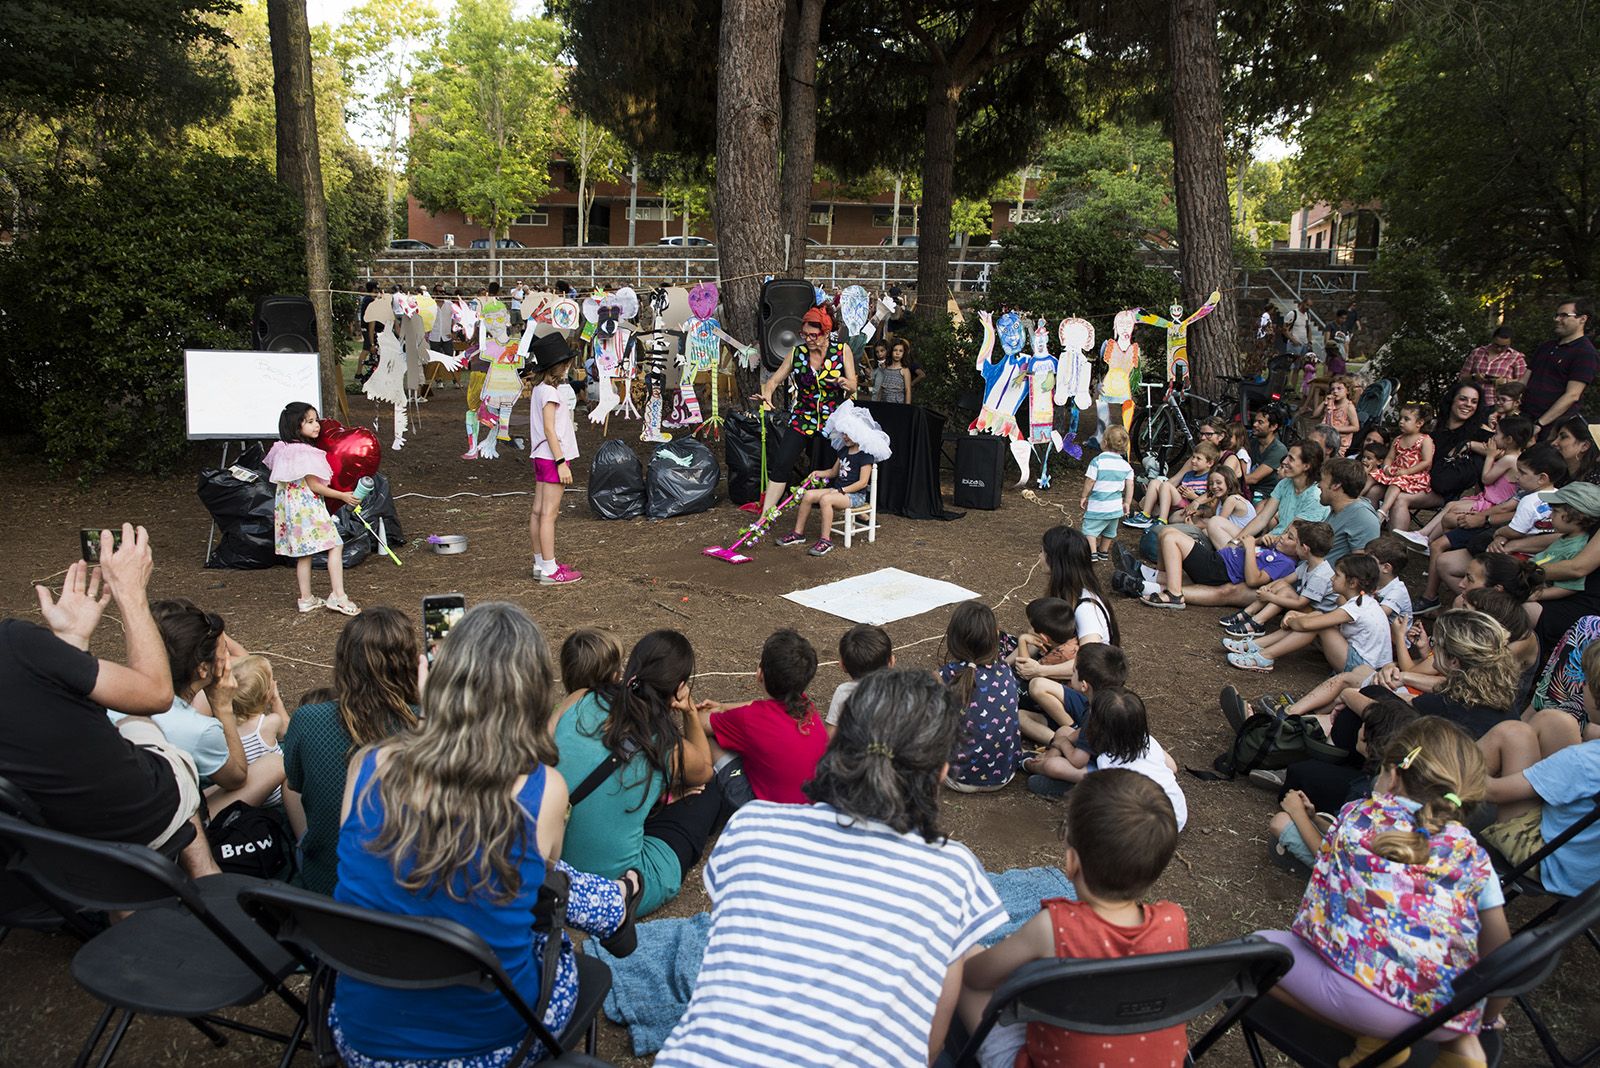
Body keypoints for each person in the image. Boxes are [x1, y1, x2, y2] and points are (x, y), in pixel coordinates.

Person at [330, 604, 636, 1067]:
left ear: (434, 677)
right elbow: (546, 880)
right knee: (553, 913)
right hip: (494, 1044)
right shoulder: (541, 790)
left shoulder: (368, 765)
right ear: (531, 695)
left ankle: (613, 903)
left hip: (362, 1039)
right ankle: (616, 902)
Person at [654, 670, 1007, 1067]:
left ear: (836, 742)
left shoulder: (751, 826)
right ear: (941, 772)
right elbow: (928, 1048)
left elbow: (735, 945)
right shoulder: (954, 872)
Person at [1253, 718, 1509, 1068]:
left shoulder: (1358, 815)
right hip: (1440, 1014)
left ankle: (1377, 1040)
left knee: (1253, 954)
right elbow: (1500, 948)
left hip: (1361, 999)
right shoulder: (1472, 853)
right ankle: (1460, 1048)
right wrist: (1482, 1018)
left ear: (1393, 773)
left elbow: (1326, 907)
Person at [0, 527, 218, 878]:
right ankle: (208, 880)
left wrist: (70, 644)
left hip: (39, 847)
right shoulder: (16, 643)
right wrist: (130, 593)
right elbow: (156, 695)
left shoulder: (23, 653)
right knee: (144, 728)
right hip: (132, 824)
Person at [961, 769, 1187, 1068]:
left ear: (1071, 863)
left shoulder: (1053, 927)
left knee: (963, 957)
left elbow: (978, 977)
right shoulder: (1174, 921)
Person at [554, 630, 721, 917]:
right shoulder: (663, 743)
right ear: (678, 687)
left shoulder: (580, 697)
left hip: (554, 856)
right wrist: (690, 712)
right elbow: (704, 770)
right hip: (615, 886)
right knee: (710, 790)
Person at [282, 607, 421, 895]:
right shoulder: (430, 724)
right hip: (407, 888)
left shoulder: (308, 720)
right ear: (410, 662)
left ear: (344, 660)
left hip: (326, 881)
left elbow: (294, 782)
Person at [1023, 689, 1187, 826]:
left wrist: (1062, 744)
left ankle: (1051, 779)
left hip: (1146, 825)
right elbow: (1172, 767)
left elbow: (1102, 790)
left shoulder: (1107, 762)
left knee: (1048, 777)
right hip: (1177, 815)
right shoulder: (1148, 741)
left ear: (1098, 729)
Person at [753, 305, 859, 518]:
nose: (808, 339)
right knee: (782, 462)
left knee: (846, 463)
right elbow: (773, 380)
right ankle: (765, 515)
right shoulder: (797, 353)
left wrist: (844, 382)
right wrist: (767, 394)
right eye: (804, 335)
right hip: (803, 416)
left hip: (834, 419)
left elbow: (854, 384)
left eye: (813, 335)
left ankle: (854, 505)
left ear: (826, 333)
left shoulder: (842, 350)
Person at [700, 629, 827, 806]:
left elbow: (701, 723)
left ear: (760, 673)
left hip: (767, 813)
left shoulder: (750, 719)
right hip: (810, 808)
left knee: (709, 738)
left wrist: (695, 710)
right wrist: (722, 707)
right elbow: (757, 705)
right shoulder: (807, 707)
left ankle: (701, 792)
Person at [265, 402, 361, 615]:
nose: (316, 425)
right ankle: (338, 595)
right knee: (336, 545)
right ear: (296, 426)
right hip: (307, 508)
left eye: (315, 420)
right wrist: (343, 496)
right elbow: (314, 485)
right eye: (310, 421)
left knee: (304, 554)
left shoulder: (282, 450)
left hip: (292, 512)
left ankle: (306, 598)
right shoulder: (304, 452)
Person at [1226, 553, 1392, 674]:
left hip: (1363, 669)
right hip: (1364, 663)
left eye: (1337, 575)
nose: (1332, 578)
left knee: (1318, 625)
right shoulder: (1364, 601)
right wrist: (1298, 616)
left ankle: (1264, 656)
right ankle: (1257, 645)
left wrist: (1291, 619)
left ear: (1353, 583)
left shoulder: (1356, 606)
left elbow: (1307, 625)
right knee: (1318, 615)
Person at [775, 400, 888, 557]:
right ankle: (798, 533)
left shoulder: (865, 456)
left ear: (857, 433)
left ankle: (825, 540)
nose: (845, 437)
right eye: (843, 433)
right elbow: (833, 472)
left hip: (854, 496)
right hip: (838, 491)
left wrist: (841, 490)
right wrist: (818, 473)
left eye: (848, 433)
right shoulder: (843, 452)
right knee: (808, 495)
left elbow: (862, 482)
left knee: (826, 500)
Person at [940, 600, 1021, 792]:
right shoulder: (1005, 669)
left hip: (959, 778)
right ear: (995, 635)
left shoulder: (947, 674)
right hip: (1004, 775)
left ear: (953, 637)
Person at [1392, 381, 1492, 531]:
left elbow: (1503, 450)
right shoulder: (1435, 426)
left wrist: (1470, 444)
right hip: (1415, 479)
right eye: (1463, 399)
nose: (1468, 404)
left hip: (1441, 488)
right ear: (1452, 399)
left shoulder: (1479, 431)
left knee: (1400, 499)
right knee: (1376, 489)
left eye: (1474, 401)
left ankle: (1396, 550)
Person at [526, 333, 582, 585]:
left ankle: (540, 562)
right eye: (566, 363)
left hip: (540, 455)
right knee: (549, 513)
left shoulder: (539, 389)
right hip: (552, 456)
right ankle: (549, 568)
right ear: (558, 366)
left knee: (539, 511)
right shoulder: (549, 392)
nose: (568, 366)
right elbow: (550, 429)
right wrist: (561, 462)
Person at [1220, 520, 1336, 638]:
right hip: (1309, 610)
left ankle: (1256, 622)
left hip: (1318, 617)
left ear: (1305, 548)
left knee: (1285, 592)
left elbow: (1300, 604)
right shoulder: (1308, 565)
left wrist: (1271, 597)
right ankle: (1247, 613)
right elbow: (1284, 581)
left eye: (1297, 544)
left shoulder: (1319, 576)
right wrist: (1268, 587)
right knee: (1283, 587)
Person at [221, 655, 289, 812]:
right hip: (277, 796)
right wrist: (276, 700)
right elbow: (288, 732)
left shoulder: (224, 729)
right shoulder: (269, 723)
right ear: (266, 695)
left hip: (244, 798)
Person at [1525, 298, 1599, 434]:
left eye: (1564, 315)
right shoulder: (1545, 347)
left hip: (1551, 428)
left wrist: (1540, 424)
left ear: (1582, 319)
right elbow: (1524, 381)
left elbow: (1572, 395)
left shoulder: (1585, 353)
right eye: (1557, 315)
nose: (1557, 319)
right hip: (1524, 419)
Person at [1367, 402, 1436, 522]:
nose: (1401, 421)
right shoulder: (1398, 439)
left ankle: (1382, 512)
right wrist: (1387, 467)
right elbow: (1389, 457)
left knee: (1397, 483)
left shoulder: (1425, 440)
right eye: (1400, 418)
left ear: (1419, 423)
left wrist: (1407, 471)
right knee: (1372, 475)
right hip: (1397, 472)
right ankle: (1356, 497)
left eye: (1406, 419)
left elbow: (1426, 462)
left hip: (1414, 476)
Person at [1126, 440, 1218, 528]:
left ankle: (1162, 520)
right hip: (1181, 502)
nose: (1193, 461)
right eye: (1193, 457)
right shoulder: (1189, 475)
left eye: (1198, 459)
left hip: (1192, 508)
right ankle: (1145, 515)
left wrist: (1193, 496)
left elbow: (1211, 504)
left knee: (1166, 485)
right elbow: (1181, 491)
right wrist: (1178, 490)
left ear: (1209, 463)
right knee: (1154, 482)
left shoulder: (1210, 478)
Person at [825, 623, 894, 732]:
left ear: (842, 665)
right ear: (891, 662)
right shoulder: (902, 690)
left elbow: (831, 733)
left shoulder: (843, 692)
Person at [1079, 425, 1134, 560]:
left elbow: (1090, 481)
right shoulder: (1126, 465)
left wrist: (1084, 496)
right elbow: (1130, 484)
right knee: (1109, 531)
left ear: (1104, 443)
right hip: (1115, 507)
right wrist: (1127, 502)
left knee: (1089, 530)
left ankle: (1092, 553)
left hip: (1098, 506)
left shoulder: (1098, 461)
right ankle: (1103, 551)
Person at [1460, 326, 1526, 409]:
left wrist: (1506, 381)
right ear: (1492, 339)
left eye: (1503, 346)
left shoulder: (1517, 357)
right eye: (1496, 345)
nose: (1499, 349)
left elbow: (1523, 382)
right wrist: (1474, 377)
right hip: (1473, 402)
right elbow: (1462, 377)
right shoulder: (1477, 352)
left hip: (1498, 404)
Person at [1245, 407, 1291, 497]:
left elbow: (1254, 478)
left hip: (1266, 494)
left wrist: (1227, 480)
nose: (1254, 424)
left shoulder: (1278, 450)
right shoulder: (1252, 443)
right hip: (1249, 489)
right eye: (1255, 421)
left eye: (1260, 422)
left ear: (1273, 427)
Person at [1323, 376, 1360, 456]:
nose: (1335, 391)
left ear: (1347, 391)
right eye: (1332, 389)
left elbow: (1356, 427)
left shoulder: (1349, 407)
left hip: (1340, 442)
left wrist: (1336, 428)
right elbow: (1315, 414)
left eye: (1339, 388)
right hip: (1327, 437)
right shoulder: (1332, 404)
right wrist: (1325, 402)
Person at [872, 336, 912, 402]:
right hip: (884, 403)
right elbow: (881, 388)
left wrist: (907, 408)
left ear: (903, 353)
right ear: (890, 351)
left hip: (897, 405)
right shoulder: (885, 368)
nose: (897, 353)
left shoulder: (904, 370)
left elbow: (908, 390)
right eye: (895, 350)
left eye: (900, 351)